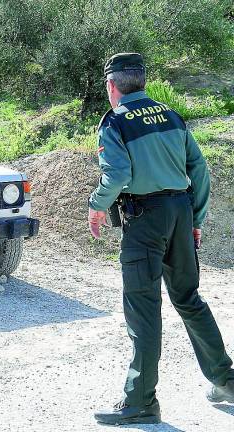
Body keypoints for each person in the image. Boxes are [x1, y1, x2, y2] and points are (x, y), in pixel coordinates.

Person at [88, 53, 234, 425]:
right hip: (180, 212)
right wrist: (195, 218)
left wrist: (97, 206)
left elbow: (118, 173)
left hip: (145, 220)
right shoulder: (170, 115)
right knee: (188, 298)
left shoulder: (115, 122)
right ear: (141, 81)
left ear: (112, 86)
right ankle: (226, 380)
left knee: (143, 307)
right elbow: (199, 170)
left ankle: (140, 401)